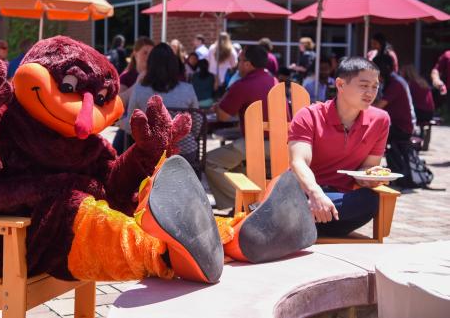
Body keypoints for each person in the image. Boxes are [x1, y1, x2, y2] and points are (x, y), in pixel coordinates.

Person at [289, 57, 391, 237]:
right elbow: (298, 162)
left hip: (341, 203)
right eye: (364, 85)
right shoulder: (310, 115)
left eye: (375, 86)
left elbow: (367, 167)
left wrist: (369, 178)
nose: (370, 92)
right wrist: (316, 195)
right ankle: (303, 219)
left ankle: (299, 223)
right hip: (305, 193)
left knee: (371, 200)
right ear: (340, 85)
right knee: (297, 202)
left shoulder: (380, 120)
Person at [204, 45, 277, 210]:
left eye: (239, 60)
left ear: (248, 64)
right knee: (233, 162)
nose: (236, 64)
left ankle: (243, 204)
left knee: (210, 161)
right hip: (282, 144)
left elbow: (222, 116)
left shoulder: (243, 84)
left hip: (257, 143)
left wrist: (217, 107)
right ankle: (246, 200)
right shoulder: (273, 80)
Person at [124, 43, 199, 165]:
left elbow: (130, 127)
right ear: (174, 66)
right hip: (184, 153)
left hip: (150, 155)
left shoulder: (139, 90)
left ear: (150, 66)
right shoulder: (188, 89)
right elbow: (197, 124)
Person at [112, 36, 155, 154]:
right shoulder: (127, 76)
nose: (148, 57)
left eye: (151, 53)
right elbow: (118, 102)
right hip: (131, 128)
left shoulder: (157, 77)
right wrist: (137, 84)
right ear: (135, 54)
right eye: (145, 53)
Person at [373, 54, 416, 143]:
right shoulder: (390, 80)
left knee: (367, 130)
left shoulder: (396, 83)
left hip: (403, 127)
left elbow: (378, 106)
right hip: (395, 124)